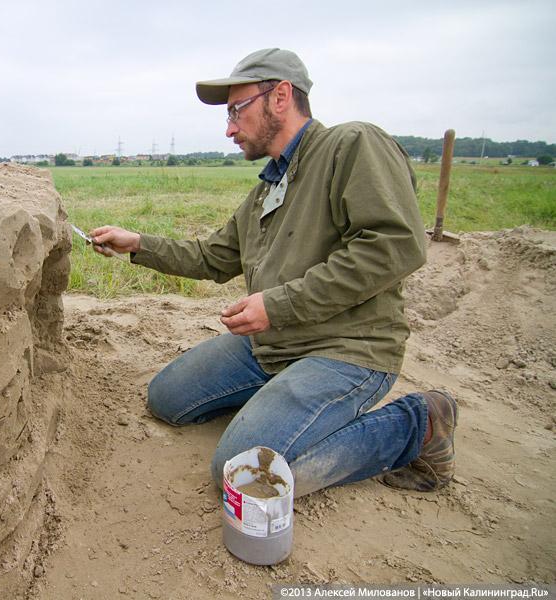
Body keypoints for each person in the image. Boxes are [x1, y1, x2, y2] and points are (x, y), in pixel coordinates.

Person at [89, 48, 457, 497]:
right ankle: (279, 410)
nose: (228, 129)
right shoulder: (268, 187)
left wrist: (278, 305)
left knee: (242, 473)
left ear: (280, 96)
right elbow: (214, 257)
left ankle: (418, 425)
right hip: (272, 346)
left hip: (346, 349)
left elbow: (395, 247)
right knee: (166, 398)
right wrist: (138, 244)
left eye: (236, 111)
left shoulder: (353, 144)